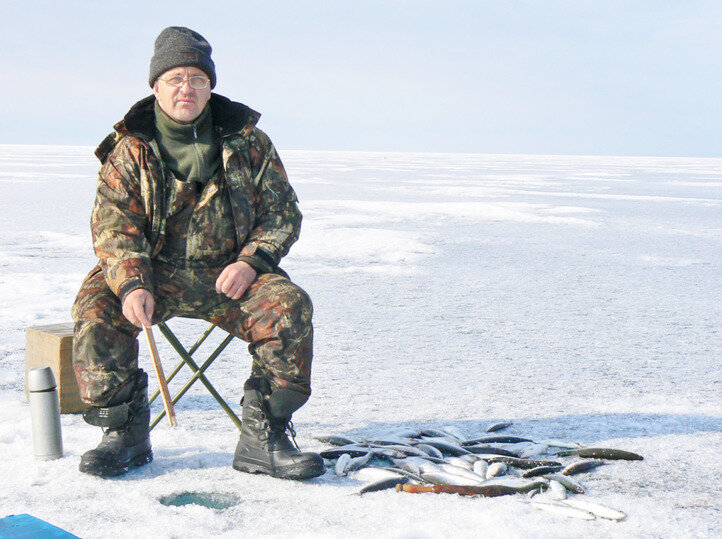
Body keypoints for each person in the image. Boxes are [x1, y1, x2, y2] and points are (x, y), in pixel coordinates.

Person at [71, 26, 323, 480]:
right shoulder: (129, 149)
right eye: (174, 79)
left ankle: (264, 437)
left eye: (196, 78)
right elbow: (112, 227)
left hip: (230, 276)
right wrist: (131, 283)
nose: (185, 88)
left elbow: (283, 213)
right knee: (97, 308)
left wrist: (251, 262)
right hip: (152, 276)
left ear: (210, 86)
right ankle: (123, 432)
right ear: (156, 87)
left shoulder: (250, 143)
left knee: (289, 307)